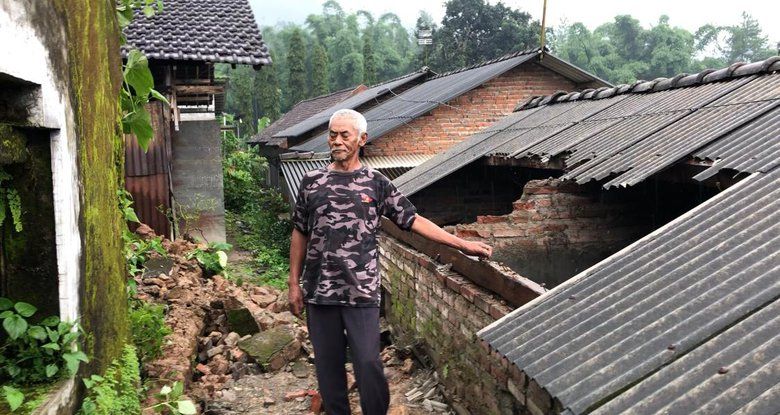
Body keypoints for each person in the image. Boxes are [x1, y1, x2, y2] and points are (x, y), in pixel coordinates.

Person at [288, 109, 492, 415]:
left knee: (369, 364)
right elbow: (299, 233)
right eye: (333, 134)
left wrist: (462, 244)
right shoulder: (312, 182)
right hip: (320, 293)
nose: (337, 141)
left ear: (361, 139)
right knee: (328, 371)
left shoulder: (376, 183)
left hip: (362, 292)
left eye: (345, 135)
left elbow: (413, 220)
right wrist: (294, 283)